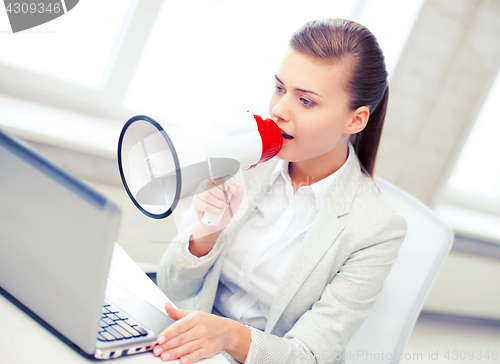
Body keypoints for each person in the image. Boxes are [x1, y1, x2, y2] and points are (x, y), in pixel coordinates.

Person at [154, 18, 407, 364]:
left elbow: (311, 355)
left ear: (355, 120)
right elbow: (170, 288)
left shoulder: (376, 229)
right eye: (279, 88)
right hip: (189, 348)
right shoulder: (246, 157)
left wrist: (230, 336)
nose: (278, 110)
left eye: (306, 101)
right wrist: (206, 233)